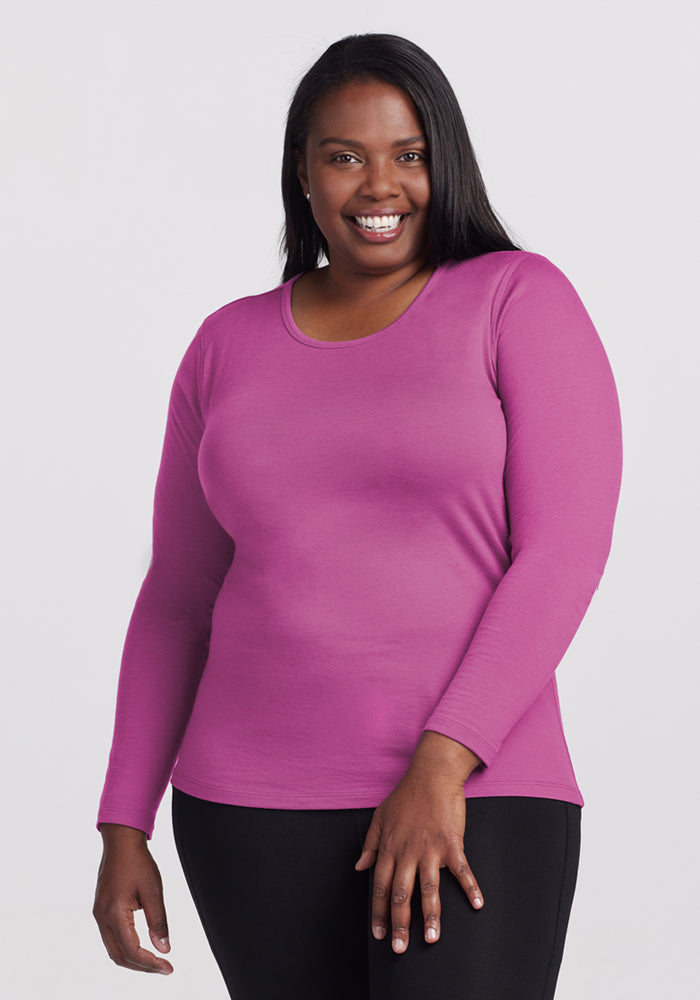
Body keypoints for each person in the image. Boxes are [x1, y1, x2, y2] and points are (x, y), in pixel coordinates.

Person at [92, 32, 623, 1000]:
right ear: (303, 172)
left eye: (408, 154)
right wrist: (124, 820)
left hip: (476, 790)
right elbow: (178, 595)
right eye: (345, 155)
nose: (379, 185)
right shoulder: (227, 343)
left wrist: (438, 763)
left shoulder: (515, 298)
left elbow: (561, 553)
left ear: (444, 162)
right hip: (245, 804)